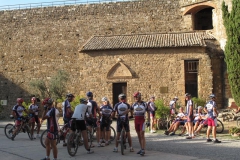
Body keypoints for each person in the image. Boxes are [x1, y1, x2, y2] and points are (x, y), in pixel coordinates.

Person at [131, 92, 150, 156]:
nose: (135, 98)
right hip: (136, 120)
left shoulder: (144, 104)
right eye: (135, 97)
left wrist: (149, 120)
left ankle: (143, 149)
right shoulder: (134, 104)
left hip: (142, 120)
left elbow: (148, 111)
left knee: (142, 134)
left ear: (139, 97)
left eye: (136, 97)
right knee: (139, 135)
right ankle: (141, 148)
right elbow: (130, 109)